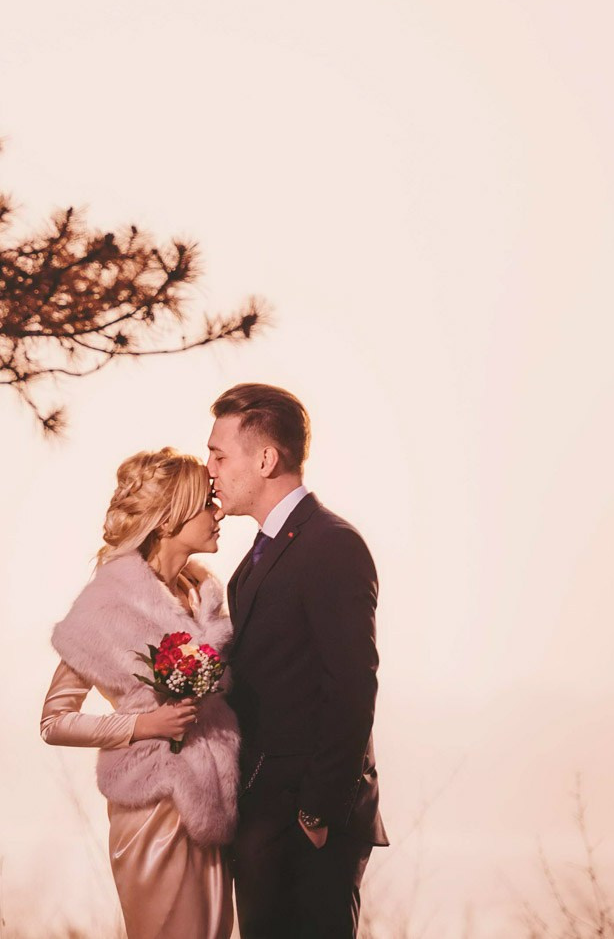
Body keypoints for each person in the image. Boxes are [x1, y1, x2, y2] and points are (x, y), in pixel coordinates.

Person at [208, 383, 387, 939]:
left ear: (265, 458)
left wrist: (318, 812)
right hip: (266, 818)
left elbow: (353, 686)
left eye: (218, 454)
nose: (207, 468)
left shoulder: (331, 544)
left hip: (308, 825)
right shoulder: (260, 551)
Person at [42, 447, 242, 939]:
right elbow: (54, 721)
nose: (218, 514)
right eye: (205, 505)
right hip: (152, 810)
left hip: (214, 807)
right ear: (169, 518)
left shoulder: (204, 596)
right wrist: (142, 725)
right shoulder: (106, 605)